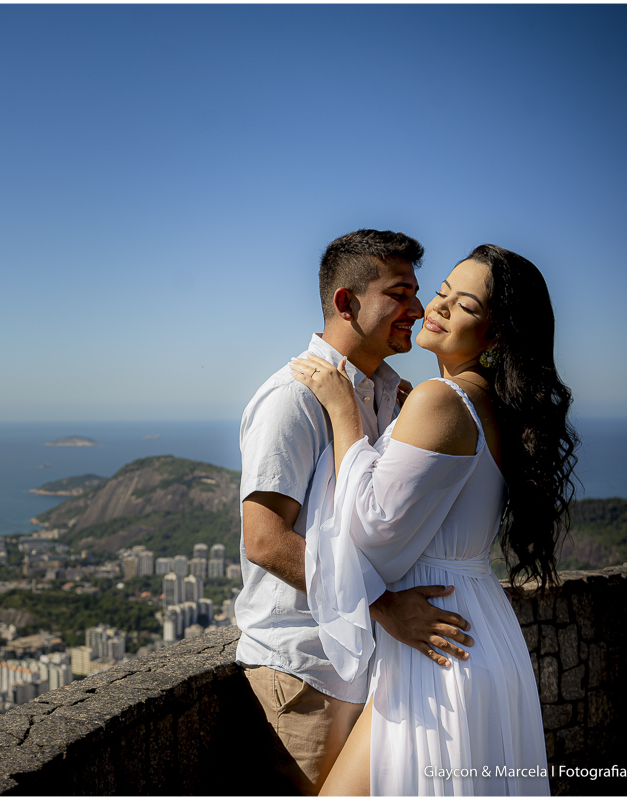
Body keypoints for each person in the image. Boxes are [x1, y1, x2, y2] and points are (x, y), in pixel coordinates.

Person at [292, 244, 577, 795]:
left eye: (464, 305)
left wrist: (343, 410)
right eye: (441, 293)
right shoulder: (488, 402)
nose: (437, 308)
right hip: (468, 630)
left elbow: (370, 526)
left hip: (437, 644)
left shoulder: (441, 400)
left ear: (495, 335)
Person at [236, 229, 479, 795]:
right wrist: (385, 605)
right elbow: (264, 540)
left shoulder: (390, 396)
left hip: (362, 671)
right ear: (346, 302)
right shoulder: (293, 398)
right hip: (303, 672)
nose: (418, 310)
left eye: (418, 292)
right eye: (401, 293)